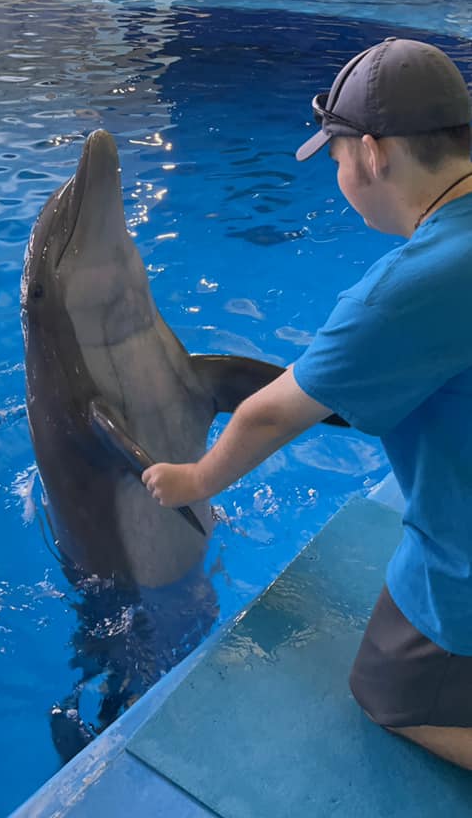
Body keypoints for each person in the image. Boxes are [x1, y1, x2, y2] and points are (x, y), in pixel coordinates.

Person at [142, 37, 472, 770]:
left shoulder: (409, 286)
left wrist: (193, 481)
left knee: (388, 693)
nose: (337, 170)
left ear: (375, 153)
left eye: (335, 154)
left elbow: (267, 411)